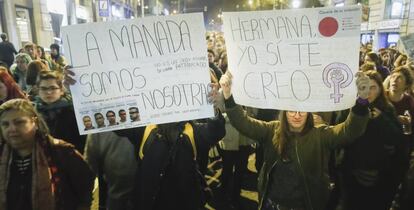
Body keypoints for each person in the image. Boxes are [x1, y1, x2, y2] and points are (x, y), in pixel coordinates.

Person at [218, 71, 370, 210]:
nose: (297, 115)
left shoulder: (321, 135)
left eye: (302, 110)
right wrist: (227, 95)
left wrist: (362, 101)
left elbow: (350, 131)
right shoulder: (271, 130)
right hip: (271, 204)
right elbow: (243, 123)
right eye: (291, 110)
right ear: (284, 112)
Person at [0, 98, 94, 210]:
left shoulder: (61, 151)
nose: (12, 129)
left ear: (34, 122)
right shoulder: (2, 155)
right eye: (5, 124)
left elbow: (85, 188)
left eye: (19, 122)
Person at [340, 70, 406, 210]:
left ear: (380, 89)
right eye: (365, 87)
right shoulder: (350, 107)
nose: (368, 92)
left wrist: (381, 119)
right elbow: (342, 135)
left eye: (373, 87)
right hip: (352, 175)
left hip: (379, 179)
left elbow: (396, 139)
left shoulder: (387, 109)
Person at [34, 71, 86, 153]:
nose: (48, 92)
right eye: (44, 88)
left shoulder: (73, 112)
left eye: (53, 88)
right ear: (38, 91)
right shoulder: (34, 113)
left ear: (61, 91)